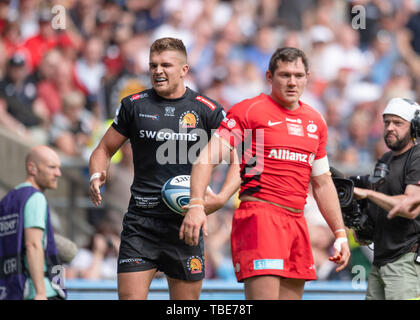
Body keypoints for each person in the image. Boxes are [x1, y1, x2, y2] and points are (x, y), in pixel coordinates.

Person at [180, 47, 350, 300]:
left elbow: (323, 183)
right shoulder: (249, 111)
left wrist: (339, 233)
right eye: (284, 75)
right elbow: (207, 158)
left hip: (297, 221)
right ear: (269, 77)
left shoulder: (315, 121)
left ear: (307, 77)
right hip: (261, 218)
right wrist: (195, 205)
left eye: (298, 75)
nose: (292, 82)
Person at [88, 37, 240, 300]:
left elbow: (242, 159)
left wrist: (221, 198)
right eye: (153, 65)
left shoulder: (208, 111)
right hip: (141, 222)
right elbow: (103, 149)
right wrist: (96, 173)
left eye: (166, 65)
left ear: (184, 70)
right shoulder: (133, 105)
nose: (158, 70)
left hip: (186, 224)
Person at [353, 98, 420, 300]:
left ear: (415, 127)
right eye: (387, 122)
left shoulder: (417, 155)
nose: (390, 128)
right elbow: (376, 211)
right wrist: (358, 221)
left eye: (398, 123)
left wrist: (369, 194)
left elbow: (411, 208)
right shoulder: (385, 160)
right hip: (380, 260)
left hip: (406, 260)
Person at [0, 145, 66, 300]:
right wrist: (40, 292)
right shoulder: (35, 197)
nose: (58, 173)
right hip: (40, 289)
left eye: (58, 167)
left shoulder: (8, 201)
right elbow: (33, 245)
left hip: (11, 289)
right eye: (52, 167)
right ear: (32, 168)